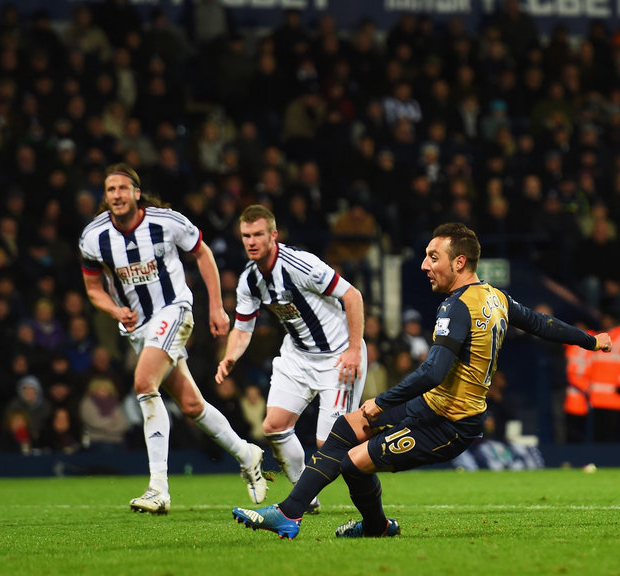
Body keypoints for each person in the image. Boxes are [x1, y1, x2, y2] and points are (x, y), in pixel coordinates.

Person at [230, 222, 612, 539]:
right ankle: (292, 513)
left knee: (352, 463)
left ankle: (367, 526)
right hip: (431, 406)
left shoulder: (457, 307)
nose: (425, 266)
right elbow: (543, 324)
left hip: (450, 425)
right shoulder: (495, 298)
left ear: (459, 262)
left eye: (434, 258)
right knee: (345, 428)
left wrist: (380, 401)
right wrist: (591, 339)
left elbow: (433, 372)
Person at [79, 163, 266, 514]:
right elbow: (92, 288)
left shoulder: (167, 222)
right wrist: (114, 311)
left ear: (137, 192)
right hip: (137, 328)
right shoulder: (94, 237)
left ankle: (158, 489)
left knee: (144, 383)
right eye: (110, 190)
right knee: (192, 406)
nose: (117, 195)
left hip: (174, 310)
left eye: (123, 188)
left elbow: (203, 253)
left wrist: (216, 308)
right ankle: (247, 453)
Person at [215, 204, 367, 514]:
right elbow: (243, 328)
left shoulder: (300, 265)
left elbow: (353, 297)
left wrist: (353, 350)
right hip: (298, 356)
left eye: (258, 234)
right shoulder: (249, 279)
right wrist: (231, 356)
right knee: (274, 425)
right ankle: (306, 497)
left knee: (330, 447)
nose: (252, 241)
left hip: (338, 356)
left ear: (273, 235)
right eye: (246, 236)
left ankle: (381, 448)